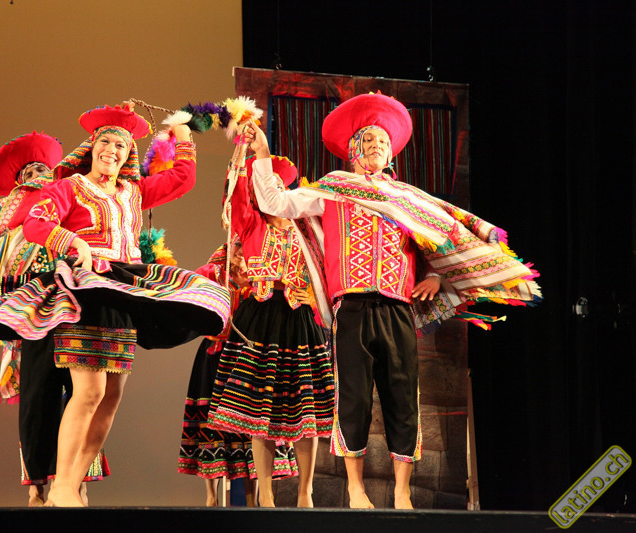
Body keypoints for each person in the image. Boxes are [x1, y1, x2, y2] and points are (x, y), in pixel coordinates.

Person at [246, 92, 540, 509]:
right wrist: (262, 154)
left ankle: (402, 492)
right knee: (353, 398)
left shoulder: (406, 198)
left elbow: (439, 240)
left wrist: (436, 275)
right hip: (351, 307)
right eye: (368, 140)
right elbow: (276, 202)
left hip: (397, 308)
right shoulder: (333, 189)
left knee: (402, 399)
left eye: (383, 142)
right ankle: (356, 489)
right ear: (353, 149)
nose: (377, 147)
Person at [0, 104, 231, 507]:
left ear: (128, 155)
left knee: (110, 396)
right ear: (92, 148)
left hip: (123, 294)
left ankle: (70, 484)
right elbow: (36, 223)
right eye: (105, 142)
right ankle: (59, 485)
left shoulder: (134, 192)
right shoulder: (70, 187)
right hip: (85, 293)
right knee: (89, 391)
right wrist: (73, 241)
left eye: (121, 145)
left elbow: (183, 178)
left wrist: (182, 134)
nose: (112, 150)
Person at [0, 131, 109, 506]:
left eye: (42, 169)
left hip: (74, 308)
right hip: (33, 315)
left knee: (82, 395)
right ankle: (37, 486)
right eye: (30, 172)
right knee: (37, 399)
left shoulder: (68, 205)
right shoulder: (11, 224)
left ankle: (75, 482)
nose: (38, 176)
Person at [206, 155, 335, 508]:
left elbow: (330, 263)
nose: (273, 191)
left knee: (306, 411)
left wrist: (318, 298)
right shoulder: (251, 223)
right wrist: (242, 161)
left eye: (279, 186)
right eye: (266, 187)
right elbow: (236, 201)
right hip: (260, 317)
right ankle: (266, 493)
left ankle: (305, 492)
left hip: (300, 319)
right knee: (258, 411)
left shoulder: (308, 227)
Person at [178, 241, 298, 506]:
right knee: (210, 421)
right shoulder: (215, 274)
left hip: (247, 356)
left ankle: (253, 497)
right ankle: (211, 497)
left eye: (246, 248)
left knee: (250, 423)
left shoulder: (260, 280)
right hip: (215, 354)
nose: (241, 254)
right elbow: (193, 294)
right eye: (237, 248)